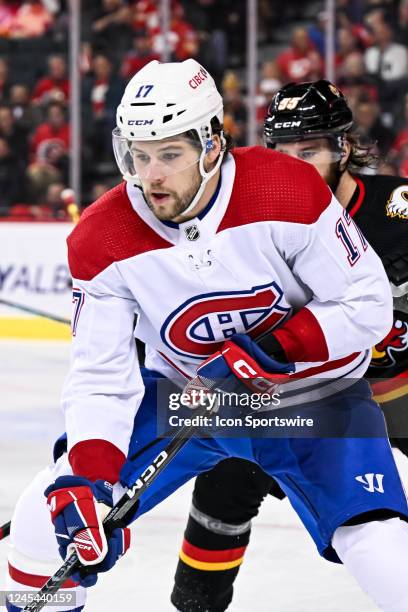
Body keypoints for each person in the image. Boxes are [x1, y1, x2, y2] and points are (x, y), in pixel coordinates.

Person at [6, 62, 408, 612]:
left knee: (380, 546)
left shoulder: (283, 189)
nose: (151, 175)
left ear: (212, 144)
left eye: (170, 154)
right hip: (191, 401)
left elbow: (367, 304)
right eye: (138, 155)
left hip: (313, 401)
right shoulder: (101, 238)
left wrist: (277, 347)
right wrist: (93, 477)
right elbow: (101, 377)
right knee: (41, 524)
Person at [171, 79, 408, 612]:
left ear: (343, 148)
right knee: (223, 485)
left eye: (311, 151)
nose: (295, 166)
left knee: (375, 530)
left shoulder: (398, 208)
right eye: (282, 152)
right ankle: (197, 603)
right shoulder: (255, 216)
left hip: (394, 388)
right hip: (300, 393)